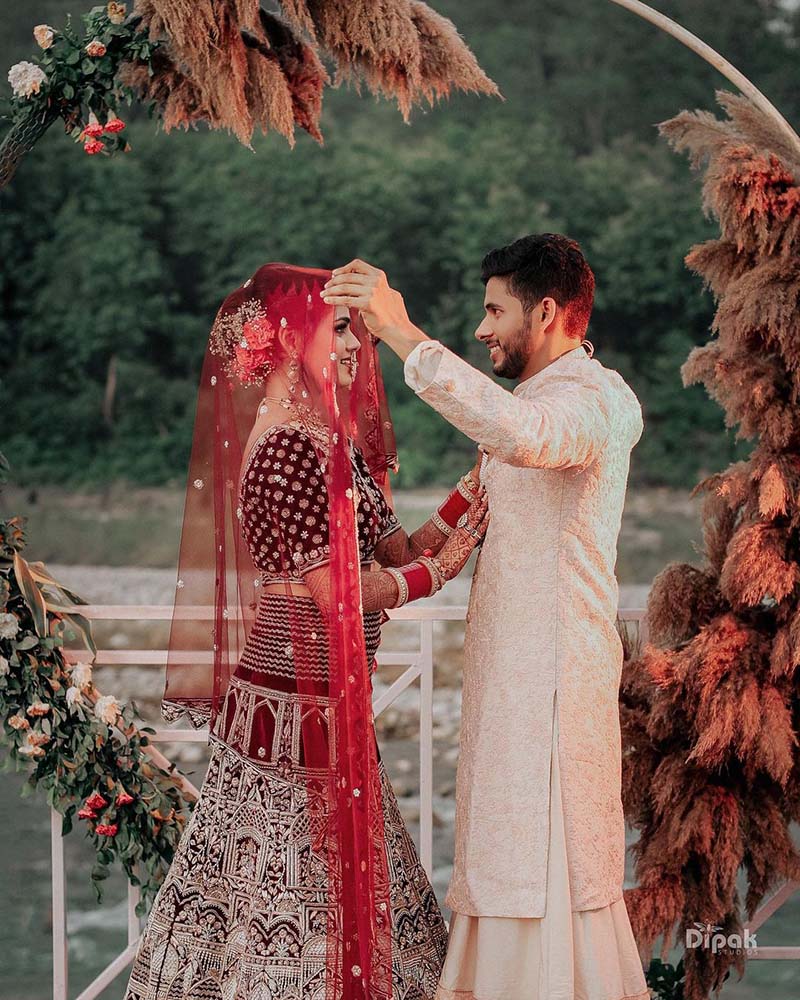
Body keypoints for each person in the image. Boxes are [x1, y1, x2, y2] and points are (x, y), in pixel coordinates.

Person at [124, 262, 490, 1000]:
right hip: (287, 709)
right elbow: (340, 595)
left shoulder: (332, 439)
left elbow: (393, 551)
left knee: (347, 884)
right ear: (294, 340)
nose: (357, 349)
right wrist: (446, 573)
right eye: (342, 331)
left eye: (358, 333)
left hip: (329, 700)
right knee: (282, 895)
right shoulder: (290, 446)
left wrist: (468, 496)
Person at [322, 235, 651, 1000]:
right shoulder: (523, 411)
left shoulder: (597, 401)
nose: (482, 329)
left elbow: (522, 435)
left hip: (558, 691)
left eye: (494, 311)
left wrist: (402, 332)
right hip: (507, 685)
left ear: (545, 312)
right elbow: (455, 532)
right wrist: (366, 573)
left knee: (554, 874)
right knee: (500, 862)